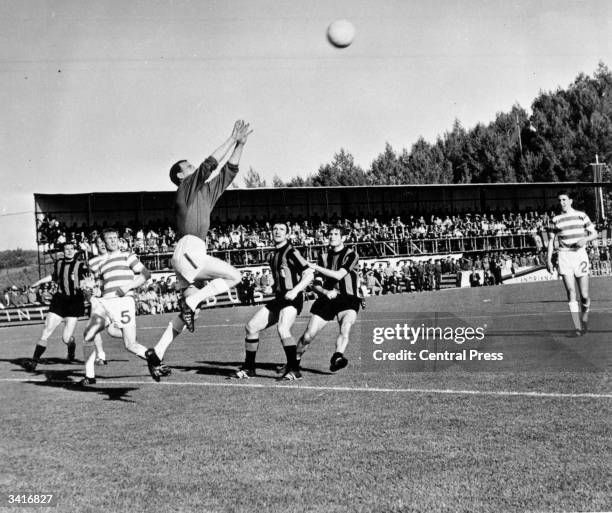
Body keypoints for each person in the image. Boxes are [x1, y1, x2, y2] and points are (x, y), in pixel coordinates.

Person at [144, 120, 252, 381]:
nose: (193, 169)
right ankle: (192, 301)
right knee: (234, 277)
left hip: (185, 255)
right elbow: (209, 164)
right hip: (190, 248)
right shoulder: (185, 188)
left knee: (190, 312)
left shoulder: (206, 191)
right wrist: (230, 137)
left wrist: (240, 144)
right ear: (181, 176)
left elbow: (229, 170)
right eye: (188, 167)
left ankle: (156, 354)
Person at [231, 222, 313, 380]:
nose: (278, 231)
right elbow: (281, 278)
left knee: (283, 328)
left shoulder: (291, 252)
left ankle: (294, 369)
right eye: (275, 229)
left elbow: (309, 274)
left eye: (282, 229)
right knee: (251, 327)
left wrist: (295, 291)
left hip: (292, 299)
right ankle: (249, 368)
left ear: (288, 234)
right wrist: (272, 288)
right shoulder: (273, 254)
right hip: (280, 297)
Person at [79, 229, 152, 386]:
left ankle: (154, 359)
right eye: (108, 239)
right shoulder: (97, 263)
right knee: (88, 335)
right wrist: (90, 291)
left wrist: (128, 286)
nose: (112, 241)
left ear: (119, 240)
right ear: (103, 243)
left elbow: (146, 273)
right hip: (105, 302)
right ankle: (89, 376)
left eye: (115, 238)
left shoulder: (128, 255)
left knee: (130, 344)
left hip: (123, 301)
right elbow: (97, 286)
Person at [295, 226, 361, 374]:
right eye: (330, 234)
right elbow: (315, 285)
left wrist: (315, 266)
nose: (332, 236)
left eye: (336, 234)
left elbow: (339, 275)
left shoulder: (351, 255)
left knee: (346, 327)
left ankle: (337, 357)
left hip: (348, 299)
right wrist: (325, 291)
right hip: (327, 299)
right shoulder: (324, 257)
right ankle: (294, 362)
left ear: (343, 238)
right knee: (308, 336)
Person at [24, 242, 87, 372]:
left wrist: (84, 286)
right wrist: (39, 282)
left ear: (75, 251)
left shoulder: (80, 265)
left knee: (66, 338)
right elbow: (54, 276)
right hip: (60, 300)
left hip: (74, 302)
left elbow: (86, 281)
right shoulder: (58, 263)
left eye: (71, 249)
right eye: (66, 249)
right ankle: (34, 361)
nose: (69, 251)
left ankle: (71, 347)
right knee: (47, 329)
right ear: (63, 251)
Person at [546, 191, 597, 336]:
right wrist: (548, 260)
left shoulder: (581, 215)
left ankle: (585, 316)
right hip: (564, 255)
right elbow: (550, 241)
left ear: (570, 201)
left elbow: (594, 233)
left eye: (564, 199)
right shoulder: (555, 219)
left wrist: (585, 240)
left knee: (584, 295)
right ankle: (577, 327)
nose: (561, 202)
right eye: (559, 200)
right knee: (571, 291)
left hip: (580, 255)